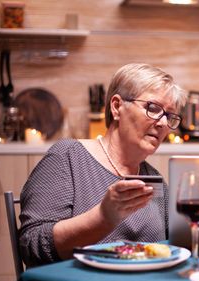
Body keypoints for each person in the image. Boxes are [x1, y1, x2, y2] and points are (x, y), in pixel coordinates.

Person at [19, 63, 186, 267]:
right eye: (153, 108)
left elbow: (177, 247)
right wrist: (103, 217)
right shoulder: (68, 156)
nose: (162, 124)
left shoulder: (154, 179)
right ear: (116, 107)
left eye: (170, 116)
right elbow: (32, 246)